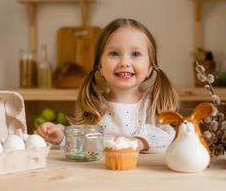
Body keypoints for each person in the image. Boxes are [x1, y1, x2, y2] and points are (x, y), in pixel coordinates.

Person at [36, 18, 180, 152]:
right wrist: (61, 137)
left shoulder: (154, 105)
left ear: (149, 67)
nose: (124, 62)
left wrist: (139, 142)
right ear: (100, 66)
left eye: (135, 54)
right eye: (114, 53)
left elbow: (170, 137)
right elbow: (83, 144)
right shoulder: (95, 107)